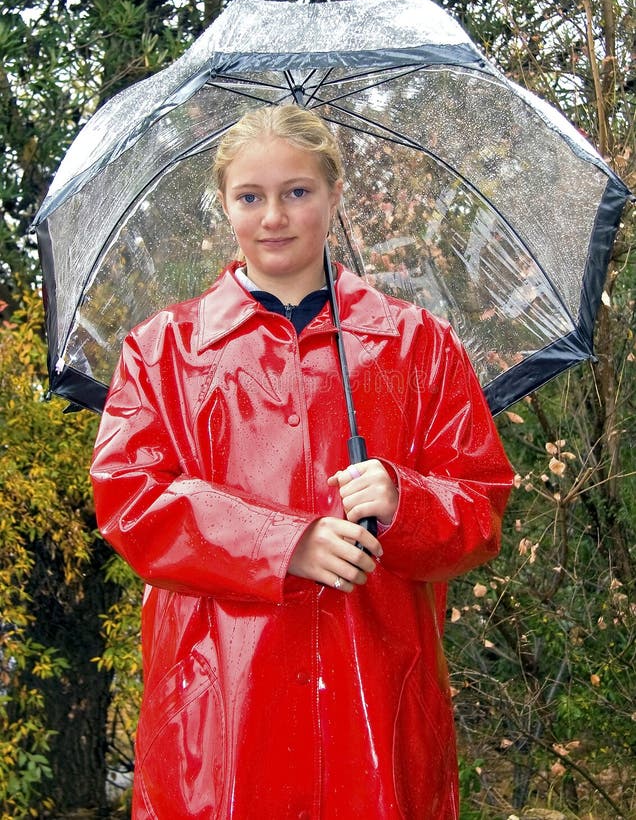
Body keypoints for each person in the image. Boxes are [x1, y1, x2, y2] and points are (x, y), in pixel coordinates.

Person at [90, 104, 514, 819]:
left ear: (334, 193)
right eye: (250, 196)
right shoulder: (163, 350)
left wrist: (404, 499)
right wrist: (285, 543)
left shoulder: (415, 345)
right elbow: (131, 501)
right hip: (221, 713)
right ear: (224, 204)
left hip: (376, 700)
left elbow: (479, 507)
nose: (274, 217)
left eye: (297, 191)